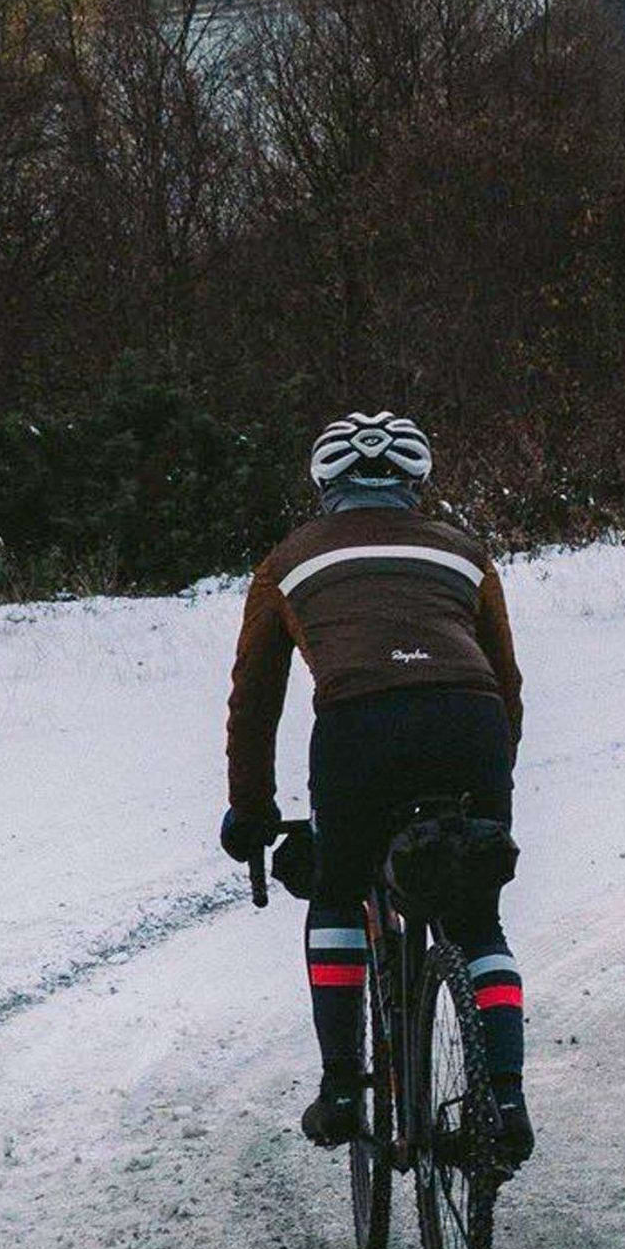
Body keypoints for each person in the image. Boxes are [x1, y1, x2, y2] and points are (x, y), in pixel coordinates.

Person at [220, 410, 533, 1168]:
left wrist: (253, 810)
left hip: (360, 727)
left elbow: (255, 697)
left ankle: (341, 1089)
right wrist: (491, 781)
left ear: (324, 485)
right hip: (471, 720)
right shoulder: (465, 553)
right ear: (416, 484)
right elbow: (507, 681)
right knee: (473, 916)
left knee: (337, 889)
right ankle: (508, 1103)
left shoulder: (288, 560)